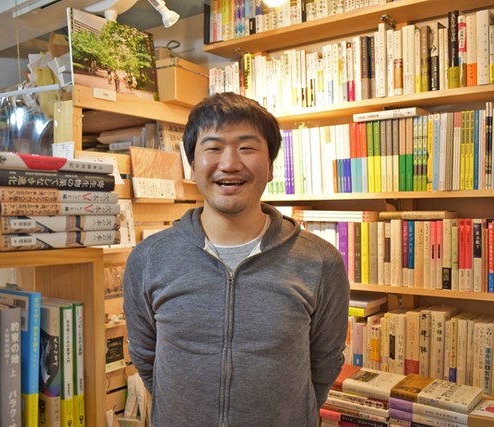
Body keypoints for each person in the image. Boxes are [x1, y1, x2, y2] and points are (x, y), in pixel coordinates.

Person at [123, 92, 350, 427]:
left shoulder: (319, 260)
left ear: (270, 167)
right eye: (213, 148)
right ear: (193, 166)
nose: (229, 163)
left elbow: (325, 361)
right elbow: (146, 357)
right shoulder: (149, 258)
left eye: (246, 147)